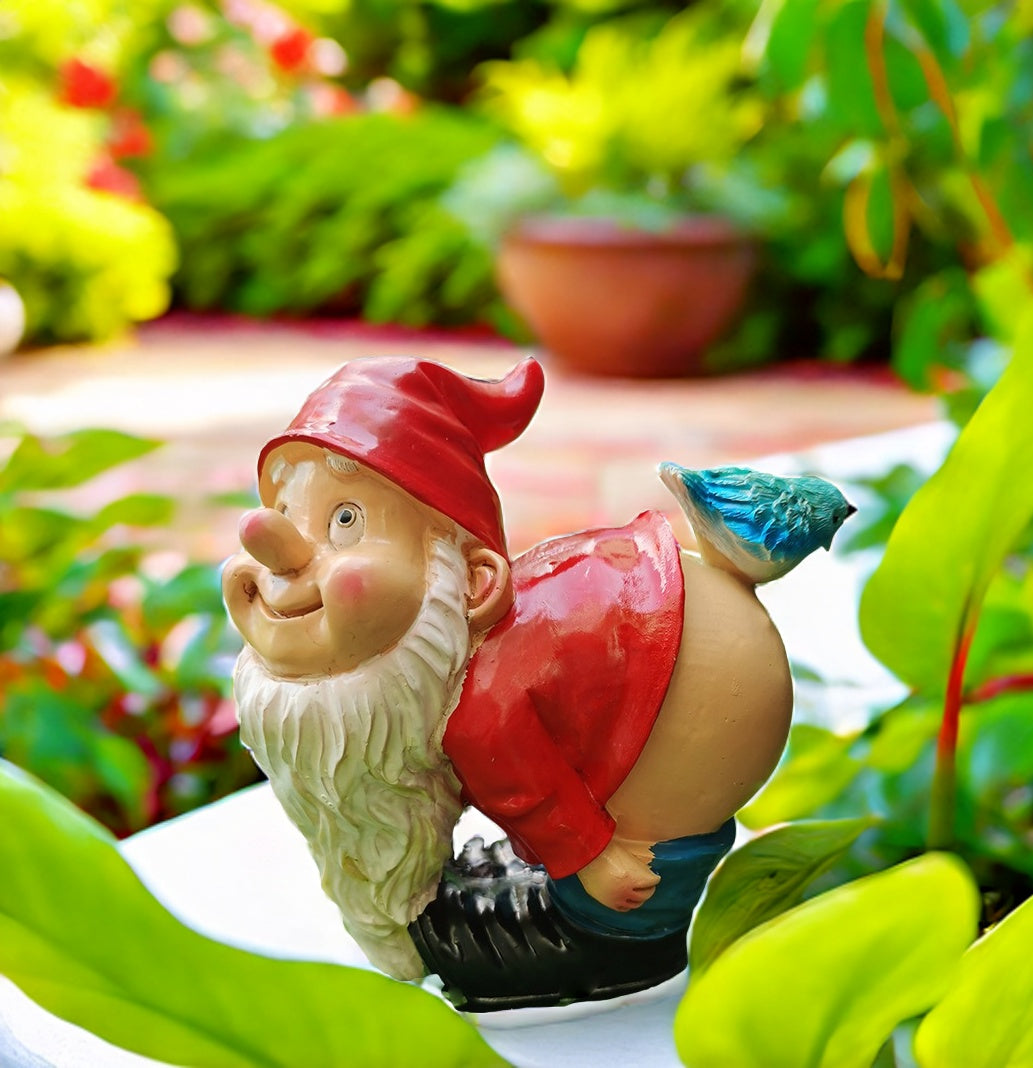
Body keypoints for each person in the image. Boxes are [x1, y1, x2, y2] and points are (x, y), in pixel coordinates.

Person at [222, 355, 799, 992]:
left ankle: (617, 931)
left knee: (629, 869)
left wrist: (595, 859)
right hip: (682, 654)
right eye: (285, 510)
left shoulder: (476, 711)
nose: (271, 545)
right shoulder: (461, 675)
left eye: (345, 522)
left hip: (688, 702)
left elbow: (536, 794)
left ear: (474, 583)